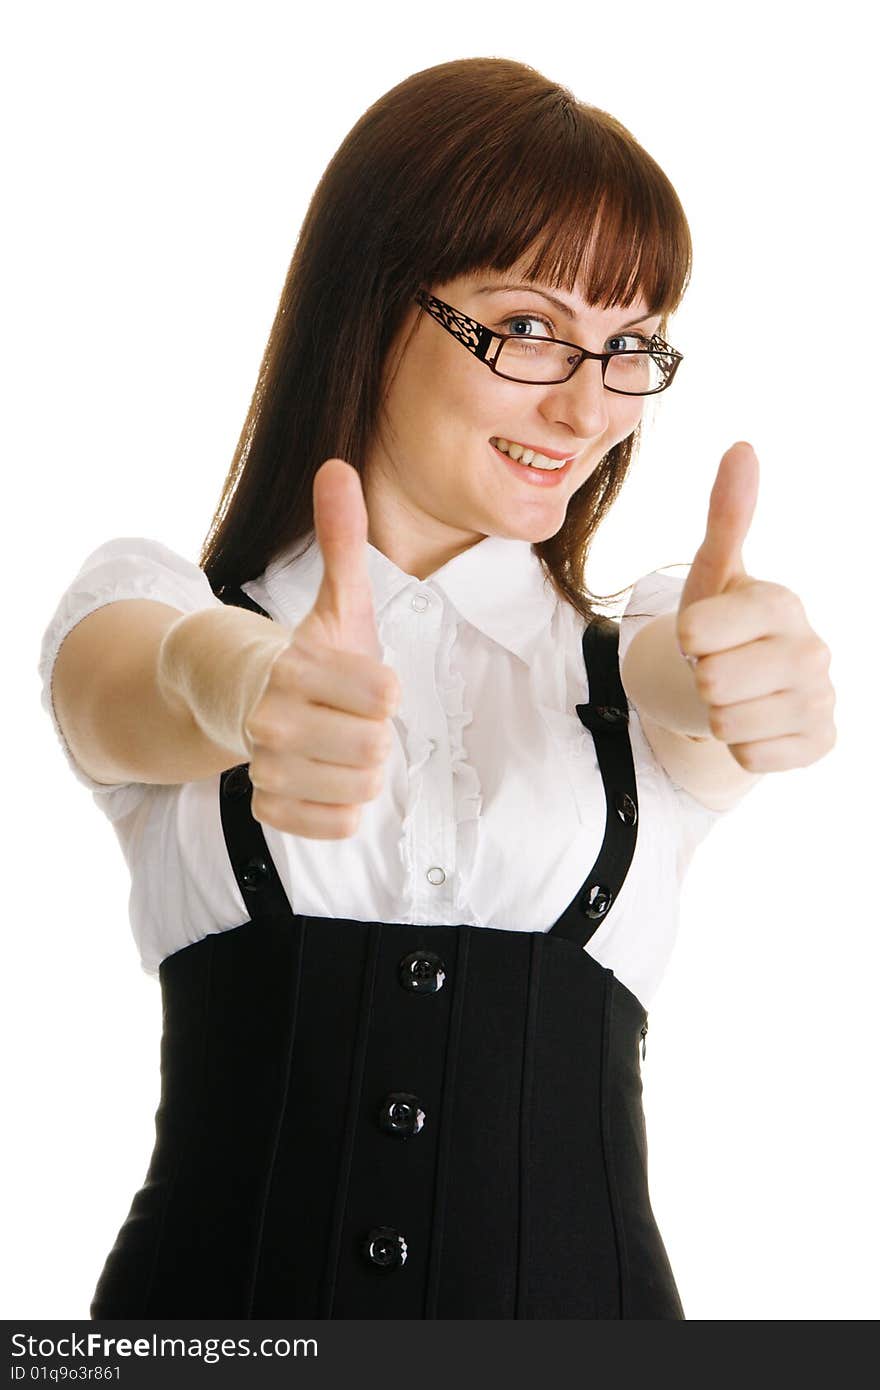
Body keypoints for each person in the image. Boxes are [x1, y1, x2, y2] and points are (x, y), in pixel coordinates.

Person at [38, 56, 836, 1320]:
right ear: (372, 301)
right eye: (528, 329)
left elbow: (682, 661)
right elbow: (130, 682)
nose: (586, 407)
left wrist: (743, 663)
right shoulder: (169, 612)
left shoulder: (639, 654)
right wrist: (243, 687)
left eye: (627, 345)